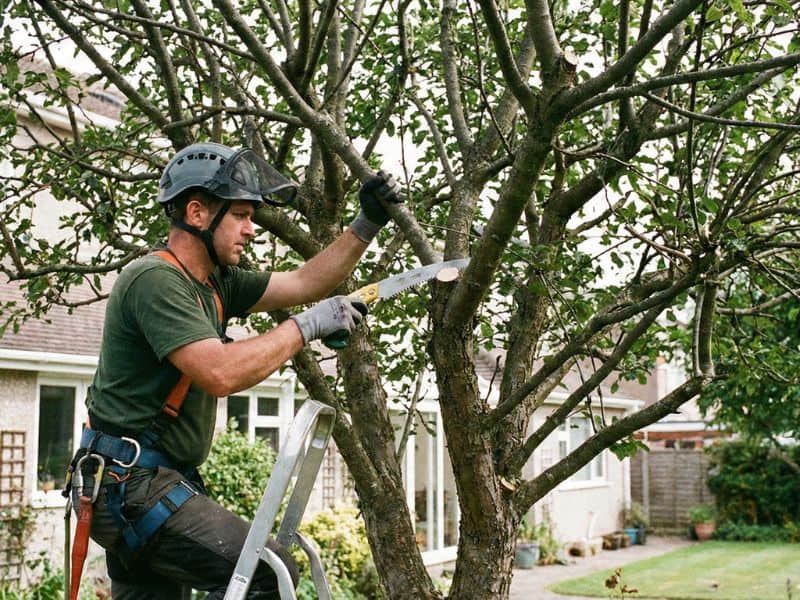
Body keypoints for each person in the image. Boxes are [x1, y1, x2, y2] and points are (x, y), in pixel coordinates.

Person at [69, 141, 402, 599]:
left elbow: (306, 282)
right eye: (241, 215)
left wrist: (367, 224)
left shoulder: (216, 282)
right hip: (133, 487)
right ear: (198, 213)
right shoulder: (155, 280)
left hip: (145, 485)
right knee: (267, 571)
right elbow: (219, 373)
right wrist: (305, 327)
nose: (251, 229)